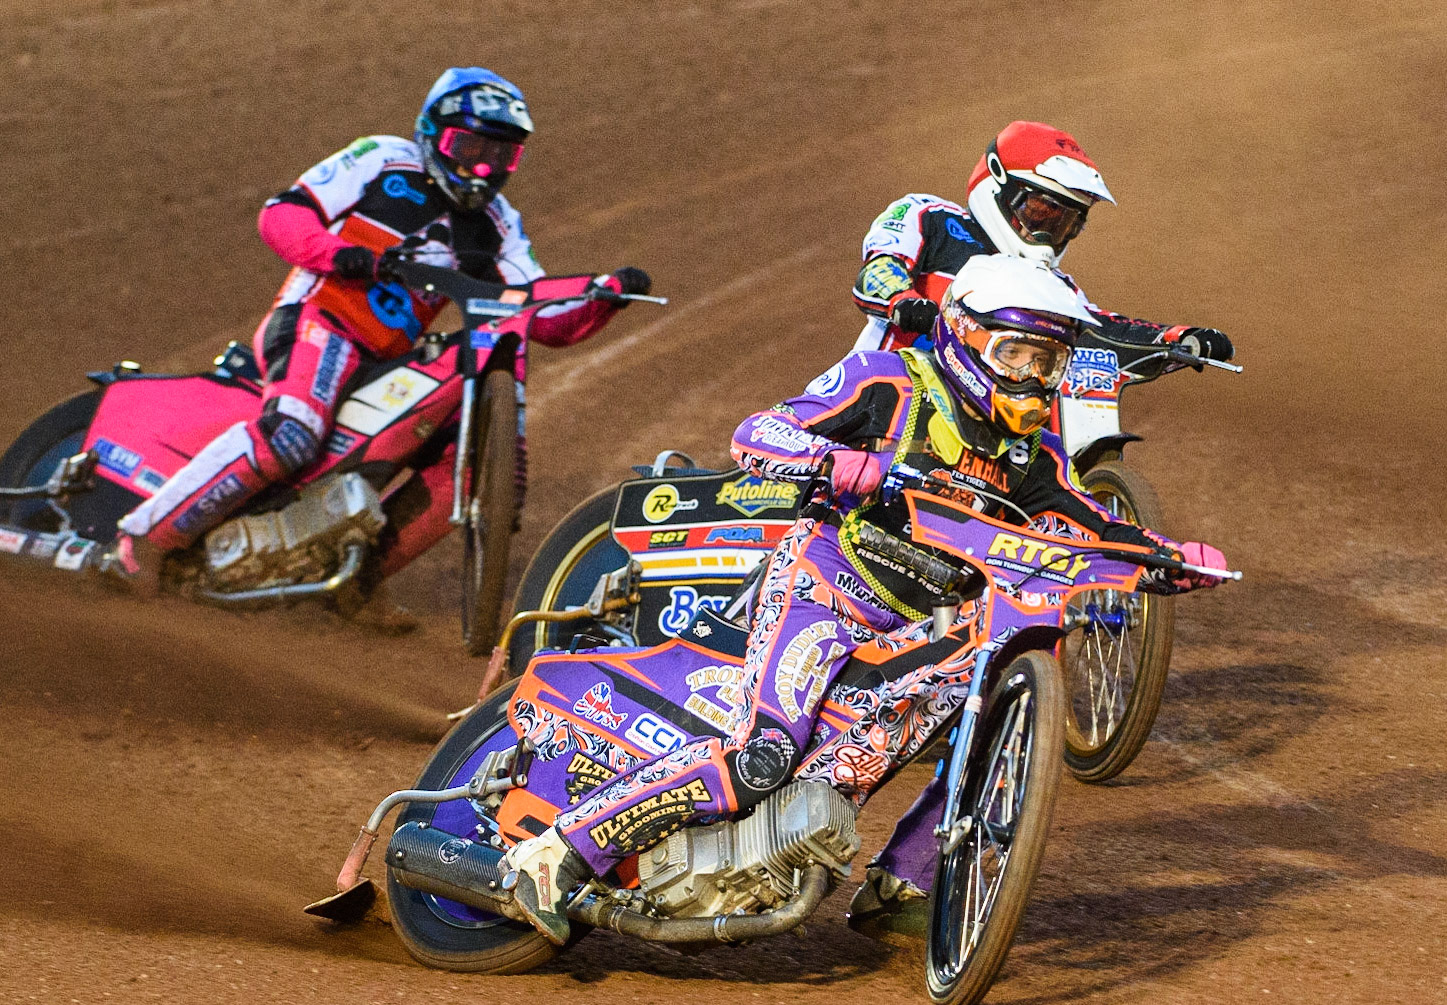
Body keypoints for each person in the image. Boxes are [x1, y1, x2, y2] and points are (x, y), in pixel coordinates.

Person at [500, 254, 1228, 946]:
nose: (1033, 379)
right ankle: (558, 855)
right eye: (1018, 356)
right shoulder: (888, 381)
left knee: (925, 726)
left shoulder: (1030, 459)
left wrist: (1165, 558)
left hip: (918, 626)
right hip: (822, 588)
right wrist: (838, 462)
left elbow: (1090, 520)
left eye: (1048, 363)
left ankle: (902, 885)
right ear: (966, 336)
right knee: (763, 754)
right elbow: (759, 433)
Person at [104, 67, 650, 587]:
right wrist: (344, 257)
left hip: (388, 358)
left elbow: (538, 312)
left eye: (501, 154)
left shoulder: (497, 224)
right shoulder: (383, 159)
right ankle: (143, 540)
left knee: (460, 467)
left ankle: (356, 587)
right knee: (293, 434)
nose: (482, 168)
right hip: (319, 321)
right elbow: (283, 214)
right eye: (470, 149)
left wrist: (605, 294)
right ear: (434, 135)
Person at [851, 120, 1234, 372]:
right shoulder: (930, 216)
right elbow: (880, 267)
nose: (1047, 235)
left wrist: (1177, 339)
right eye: (1041, 211)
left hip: (992, 425)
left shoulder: (1052, 287)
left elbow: (1101, 331)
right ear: (998, 182)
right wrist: (903, 301)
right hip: (888, 389)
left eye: (1065, 222)